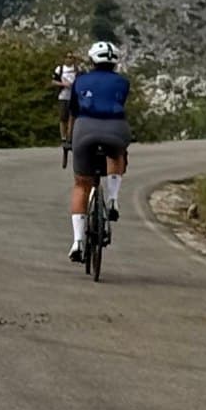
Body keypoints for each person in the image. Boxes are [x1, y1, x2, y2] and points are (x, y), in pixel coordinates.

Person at [64, 40, 131, 263]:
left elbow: (73, 112)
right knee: (116, 155)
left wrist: (68, 140)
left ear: (92, 60)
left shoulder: (80, 81)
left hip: (84, 129)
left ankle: (77, 242)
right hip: (116, 128)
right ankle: (112, 199)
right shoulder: (123, 82)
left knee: (81, 184)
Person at [52, 60, 79, 166]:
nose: (69, 59)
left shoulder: (77, 69)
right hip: (63, 96)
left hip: (73, 97)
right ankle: (63, 138)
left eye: (71, 57)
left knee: (72, 117)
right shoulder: (60, 69)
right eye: (67, 57)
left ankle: (69, 138)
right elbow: (53, 81)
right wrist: (64, 84)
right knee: (63, 118)